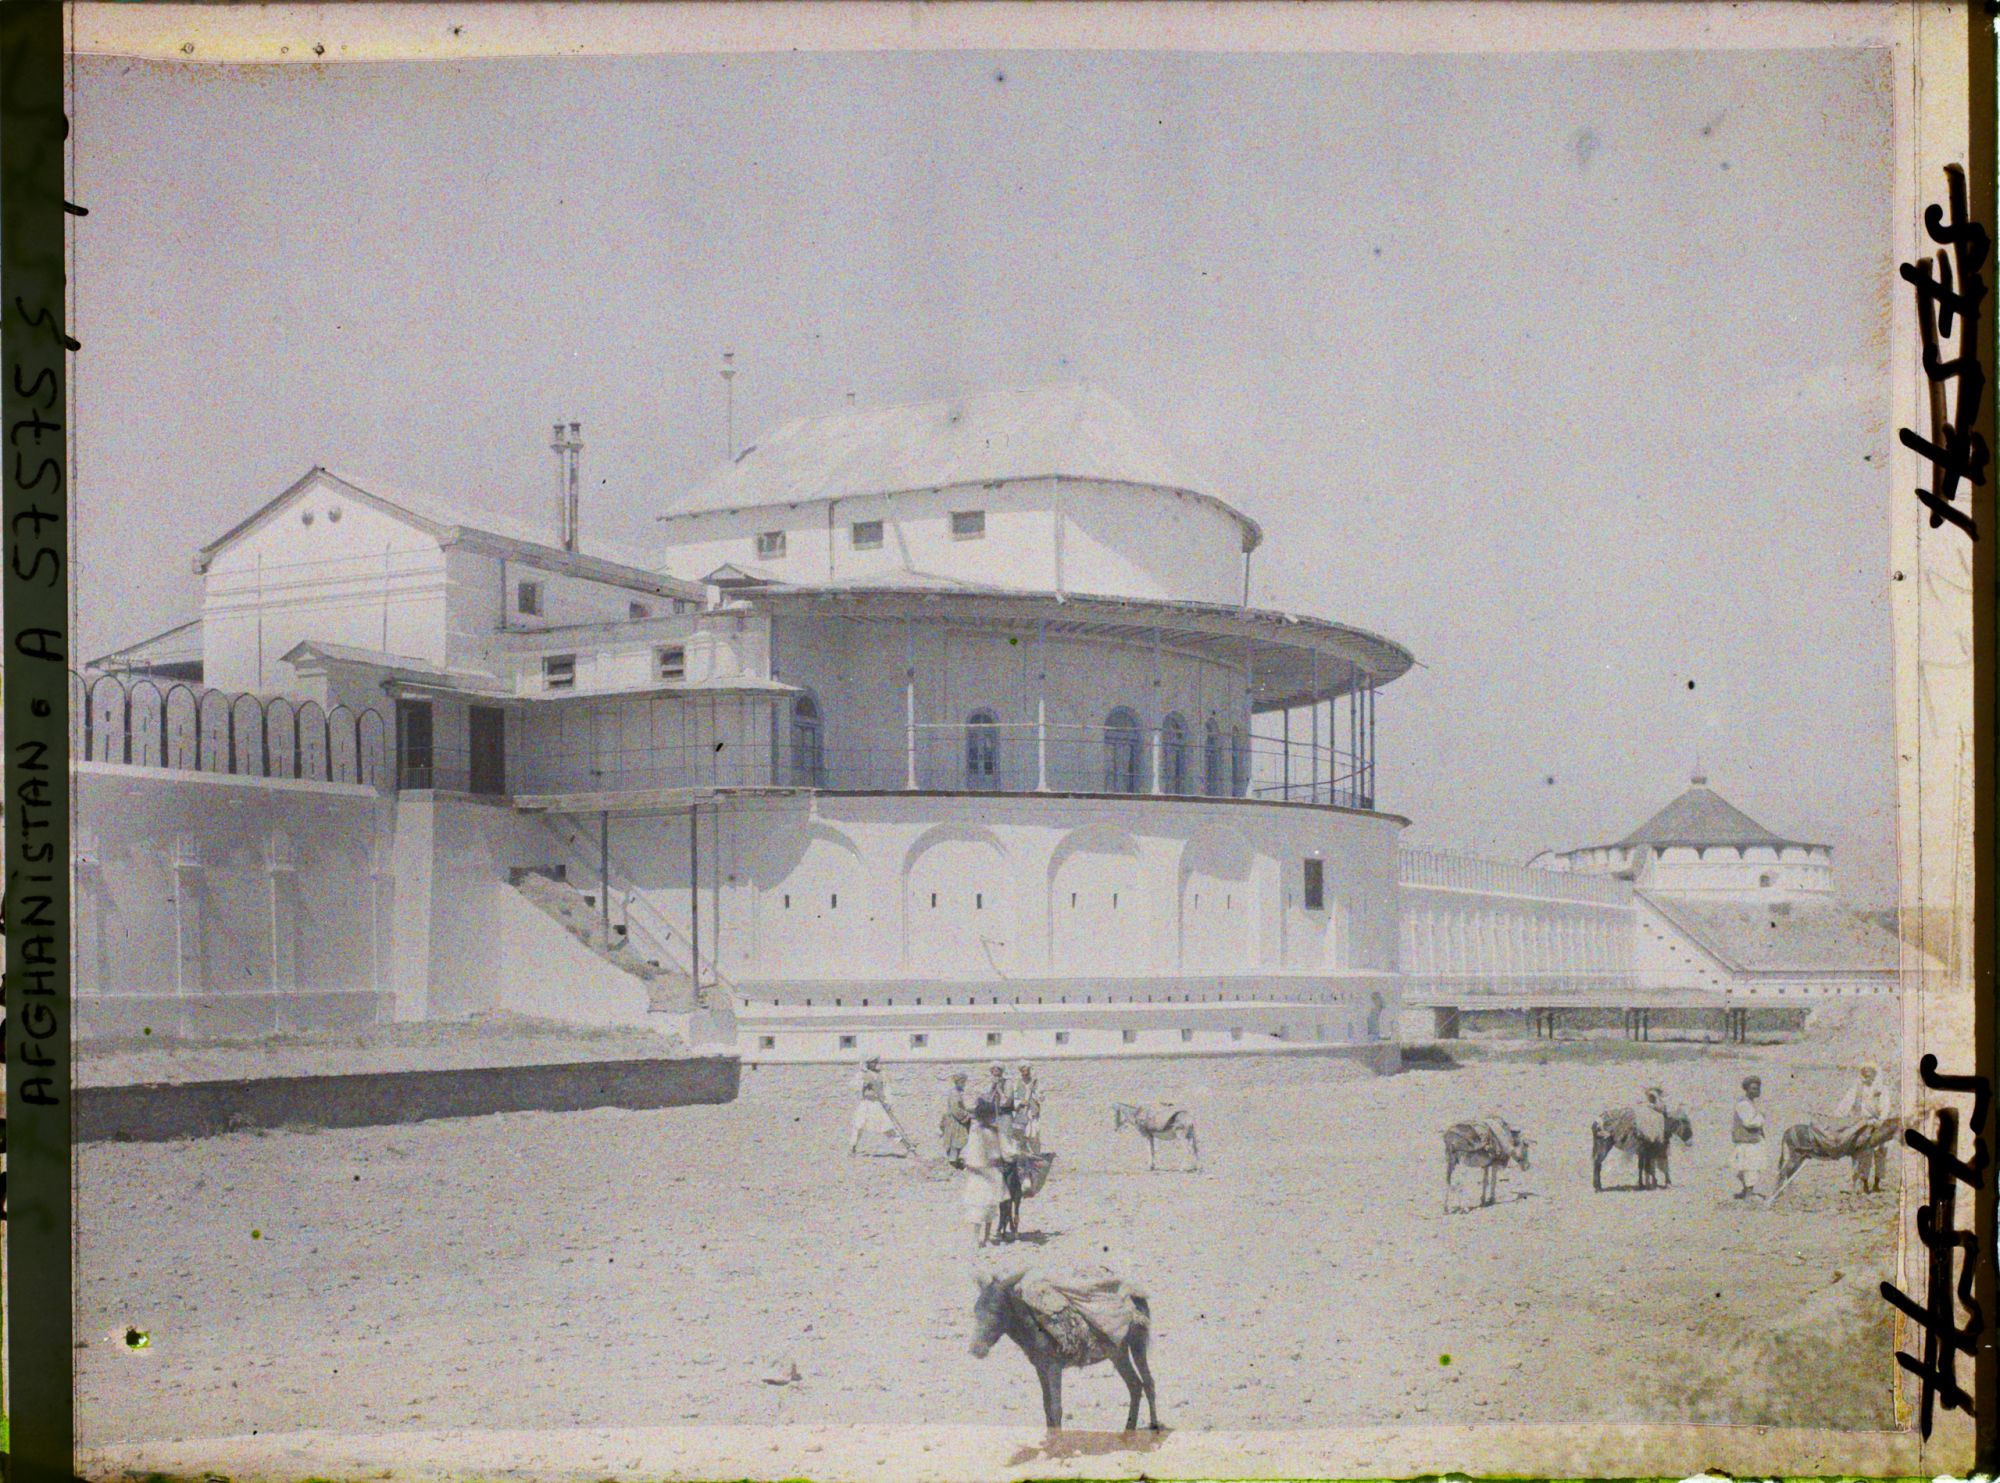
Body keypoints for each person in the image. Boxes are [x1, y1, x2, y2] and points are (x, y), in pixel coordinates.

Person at [1836, 1062, 1892, 1193]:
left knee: (1881, 1152)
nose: (1867, 1075)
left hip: (1879, 1124)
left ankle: (1877, 1182)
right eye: (1865, 1072)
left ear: (1875, 1074)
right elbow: (1845, 1103)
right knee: (1864, 1152)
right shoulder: (1857, 1088)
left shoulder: (1882, 1089)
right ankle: (1864, 1182)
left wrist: (1881, 1120)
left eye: (1870, 1072)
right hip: (1863, 1124)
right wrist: (1837, 1118)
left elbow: (1886, 1107)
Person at [961, 1097, 1007, 1248]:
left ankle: (987, 1238)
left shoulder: (993, 1132)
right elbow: (971, 1159)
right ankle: (975, 1239)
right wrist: (983, 1170)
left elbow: (1000, 1151)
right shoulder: (976, 1133)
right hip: (980, 1176)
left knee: (991, 1208)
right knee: (978, 1208)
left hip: (992, 1173)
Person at [849, 1056, 916, 1158]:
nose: (875, 1063)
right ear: (868, 1063)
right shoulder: (862, 1074)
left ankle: (907, 1147)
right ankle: (852, 1148)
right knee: (858, 1125)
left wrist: (888, 1103)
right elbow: (852, 1086)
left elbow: (887, 1089)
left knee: (887, 1126)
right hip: (865, 1103)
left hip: (877, 1104)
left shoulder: (882, 1075)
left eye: (876, 1061)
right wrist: (863, 1084)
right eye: (873, 1062)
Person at [1731, 1076, 1767, 1200]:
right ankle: (1749, 1194)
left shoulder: (1749, 1102)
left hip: (1749, 1139)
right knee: (1750, 1167)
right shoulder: (1744, 1104)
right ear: (1746, 1089)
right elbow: (1749, 1122)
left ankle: (1746, 1191)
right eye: (1753, 1088)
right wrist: (1761, 1117)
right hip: (1747, 1141)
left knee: (1747, 1167)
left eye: (1757, 1088)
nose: (1756, 1091)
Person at [939, 1072, 973, 1167]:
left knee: (957, 1140)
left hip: (955, 1120)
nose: (964, 1084)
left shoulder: (957, 1093)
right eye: (963, 1082)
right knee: (955, 1141)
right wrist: (966, 1116)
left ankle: (954, 1160)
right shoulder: (954, 1094)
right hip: (955, 1121)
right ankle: (953, 1161)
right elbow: (955, 1109)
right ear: (958, 1082)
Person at [1014, 1063, 1044, 1153]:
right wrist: (1019, 1102)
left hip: (1032, 1112)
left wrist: (1035, 1093)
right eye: (1023, 1071)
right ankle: (1023, 1155)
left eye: (1027, 1071)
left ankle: (1036, 1154)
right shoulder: (1017, 1083)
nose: (1025, 1073)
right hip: (1021, 1112)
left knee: (1033, 1134)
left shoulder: (1035, 1083)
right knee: (1021, 1134)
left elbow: (1041, 1096)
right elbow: (1013, 1097)